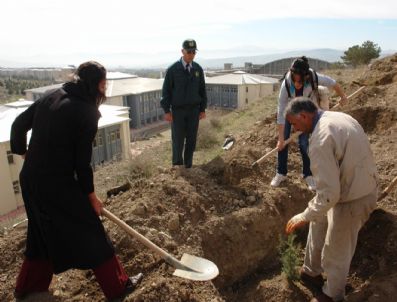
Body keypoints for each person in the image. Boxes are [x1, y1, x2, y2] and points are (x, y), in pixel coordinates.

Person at [10, 61, 143, 301]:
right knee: (93, 232)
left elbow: (18, 125)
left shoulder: (51, 96)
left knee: (40, 234)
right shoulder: (87, 112)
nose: (105, 89)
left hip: (30, 179)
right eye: (104, 84)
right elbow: (82, 165)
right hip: (56, 184)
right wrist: (91, 198)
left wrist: (24, 154)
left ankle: (27, 288)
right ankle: (118, 287)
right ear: (96, 85)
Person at [284, 97, 378, 302]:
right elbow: (329, 192)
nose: (293, 129)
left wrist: (304, 215)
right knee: (319, 222)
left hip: (355, 196)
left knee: (336, 246)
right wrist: (312, 214)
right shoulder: (337, 117)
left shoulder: (320, 140)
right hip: (352, 183)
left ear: (304, 116)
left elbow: (330, 194)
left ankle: (332, 294)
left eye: (294, 123)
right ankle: (311, 272)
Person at [270, 56, 348, 190]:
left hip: (305, 112)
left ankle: (308, 174)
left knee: (304, 143)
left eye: (300, 80)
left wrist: (343, 96)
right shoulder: (286, 85)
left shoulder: (314, 77)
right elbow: (281, 111)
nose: (297, 83)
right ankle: (281, 173)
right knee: (282, 144)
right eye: (295, 79)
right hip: (290, 111)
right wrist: (281, 138)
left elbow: (333, 83)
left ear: (306, 76)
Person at [160, 39, 207, 169]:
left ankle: (188, 166)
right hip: (178, 111)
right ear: (182, 51)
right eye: (189, 52)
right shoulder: (173, 70)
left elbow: (202, 90)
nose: (191, 54)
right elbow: (166, 92)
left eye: (193, 52)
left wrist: (203, 109)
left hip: (194, 111)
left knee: (191, 140)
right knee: (178, 141)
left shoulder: (197, 69)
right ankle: (177, 166)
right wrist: (166, 111)